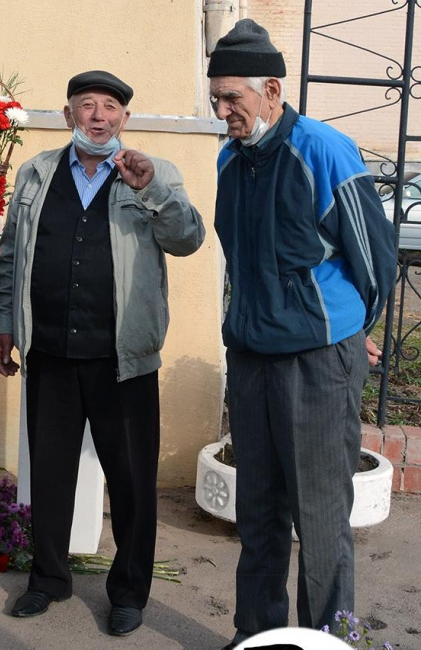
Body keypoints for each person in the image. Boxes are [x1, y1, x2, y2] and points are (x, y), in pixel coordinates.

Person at [0, 70, 205, 637]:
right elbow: (12, 254)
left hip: (124, 360)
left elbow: (189, 239)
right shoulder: (38, 173)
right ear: (68, 116)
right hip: (52, 355)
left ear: (124, 120)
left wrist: (152, 187)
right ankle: (49, 579)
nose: (99, 115)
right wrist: (6, 323)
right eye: (87, 105)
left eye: (110, 107)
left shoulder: (152, 174)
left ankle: (129, 591)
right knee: (52, 473)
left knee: (132, 480)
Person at [207, 19, 397, 648]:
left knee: (319, 522)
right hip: (252, 360)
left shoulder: (323, 149)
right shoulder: (230, 159)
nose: (223, 110)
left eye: (233, 97)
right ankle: (256, 637)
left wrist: (348, 335)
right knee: (257, 516)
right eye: (216, 99)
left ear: (271, 89)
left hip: (316, 366)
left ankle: (330, 640)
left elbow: (376, 260)